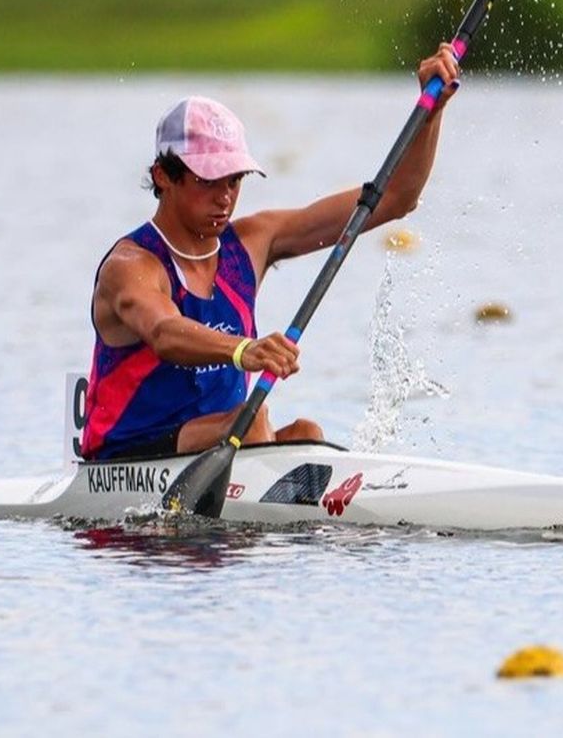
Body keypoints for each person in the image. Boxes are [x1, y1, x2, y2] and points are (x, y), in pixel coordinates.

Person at [81, 44, 461, 461]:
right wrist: (244, 350)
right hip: (128, 456)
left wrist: (432, 111)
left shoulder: (252, 242)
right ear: (162, 176)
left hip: (222, 444)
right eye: (209, 180)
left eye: (234, 180)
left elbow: (395, 198)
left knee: (306, 433)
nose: (225, 197)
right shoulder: (131, 266)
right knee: (254, 420)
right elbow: (164, 333)